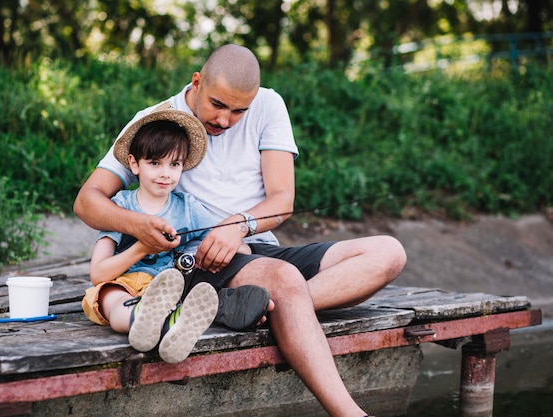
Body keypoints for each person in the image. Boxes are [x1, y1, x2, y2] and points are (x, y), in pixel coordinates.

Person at [75, 44, 407, 417]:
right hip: (198, 258)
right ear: (197, 82)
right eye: (217, 104)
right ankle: (349, 412)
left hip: (253, 246)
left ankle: (256, 308)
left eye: (239, 110)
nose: (226, 119)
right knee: (284, 279)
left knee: (387, 253)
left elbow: (282, 199)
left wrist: (240, 225)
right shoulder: (157, 122)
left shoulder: (269, 105)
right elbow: (87, 200)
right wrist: (139, 228)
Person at [82, 106, 267, 363]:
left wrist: (233, 247)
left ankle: (171, 322)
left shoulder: (188, 209)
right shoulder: (120, 207)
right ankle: (153, 322)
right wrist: (142, 248)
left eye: (175, 164)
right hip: (122, 283)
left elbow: (222, 237)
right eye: (155, 163)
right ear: (134, 164)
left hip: (172, 286)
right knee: (112, 299)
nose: (166, 173)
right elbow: (98, 273)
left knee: (180, 296)